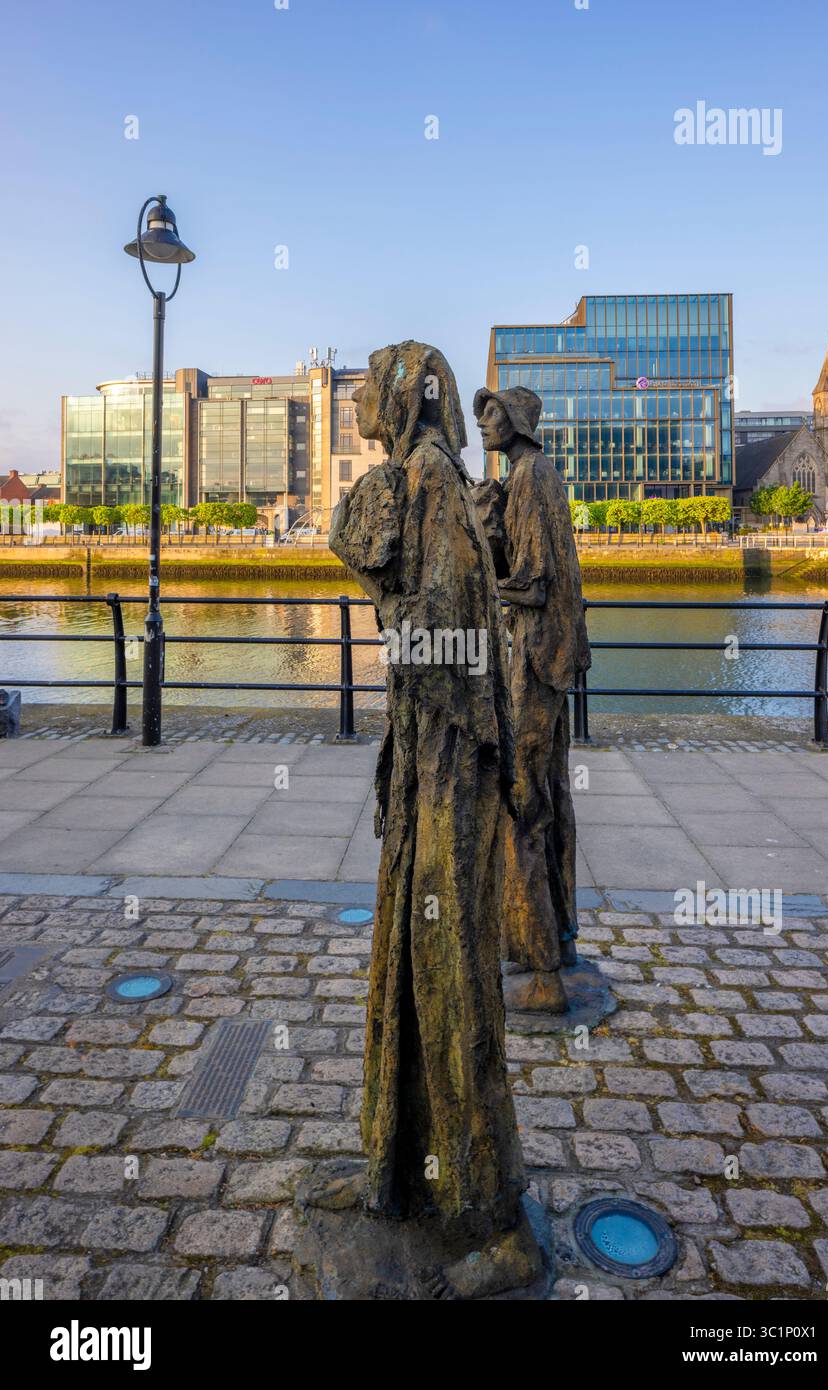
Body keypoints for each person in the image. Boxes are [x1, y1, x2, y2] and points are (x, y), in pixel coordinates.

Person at [321, 342, 530, 1274]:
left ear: (404, 397)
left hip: (448, 770)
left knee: (451, 978)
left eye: (371, 382)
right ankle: (397, 1166)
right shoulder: (416, 476)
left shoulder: (433, 478)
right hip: (422, 766)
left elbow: (445, 635)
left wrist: (371, 575)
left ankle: (493, 1219)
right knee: (408, 960)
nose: (360, 396)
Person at [474, 385, 592, 1013]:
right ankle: (561, 938)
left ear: (515, 421)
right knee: (551, 792)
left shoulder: (528, 476)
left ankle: (540, 968)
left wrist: (481, 567)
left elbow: (535, 582)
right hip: (555, 655)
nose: (484, 426)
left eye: (491, 415)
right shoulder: (534, 473)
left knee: (522, 798)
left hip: (537, 656)